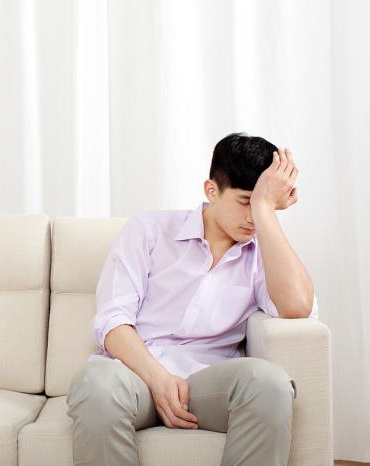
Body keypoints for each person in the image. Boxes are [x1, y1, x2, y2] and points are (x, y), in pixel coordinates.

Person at [66, 132, 319, 466]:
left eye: (261, 205)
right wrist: (158, 380)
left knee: (271, 384)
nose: (252, 218)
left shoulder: (263, 251)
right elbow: (113, 322)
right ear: (211, 191)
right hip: (135, 376)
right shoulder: (149, 230)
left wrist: (265, 211)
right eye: (245, 202)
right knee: (96, 384)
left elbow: (297, 308)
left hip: (208, 384)